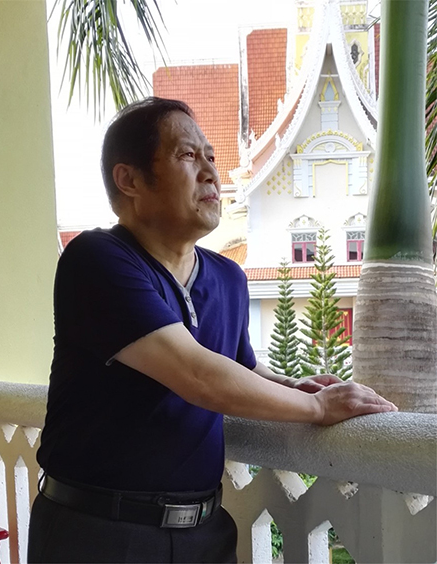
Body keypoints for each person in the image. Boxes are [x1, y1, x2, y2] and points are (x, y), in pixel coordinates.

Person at [27, 97, 397, 564]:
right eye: (187, 155)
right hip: (97, 532)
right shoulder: (97, 259)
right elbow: (197, 374)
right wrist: (317, 407)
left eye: (211, 157)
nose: (210, 173)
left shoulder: (227, 277)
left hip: (203, 533)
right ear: (129, 180)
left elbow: (237, 365)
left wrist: (290, 384)